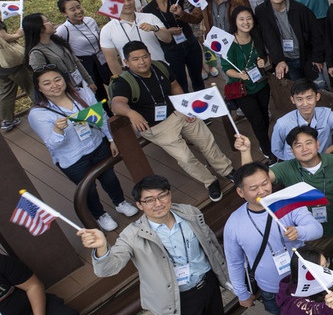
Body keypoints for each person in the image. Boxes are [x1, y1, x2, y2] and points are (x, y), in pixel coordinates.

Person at [80, 176, 255, 315]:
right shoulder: (132, 235)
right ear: (139, 205)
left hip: (206, 281)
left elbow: (210, 243)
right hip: (178, 296)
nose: (158, 203)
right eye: (149, 200)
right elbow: (108, 268)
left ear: (169, 194)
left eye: (162, 195)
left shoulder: (189, 212)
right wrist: (101, 248)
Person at [110, 41, 234, 201]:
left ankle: (227, 170)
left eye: (145, 56)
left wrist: (185, 107)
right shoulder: (124, 81)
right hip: (157, 126)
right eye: (135, 59)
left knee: (206, 140)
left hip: (178, 111)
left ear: (149, 55)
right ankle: (210, 181)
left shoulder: (159, 66)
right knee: (184, 157)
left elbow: (174, 85)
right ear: (126, 62)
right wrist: (131, 113)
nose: (142, 62)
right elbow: (116, 104)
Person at [28, 65, 138, 231]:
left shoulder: (82, 93)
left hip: (97, 145)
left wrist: (111, 139)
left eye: (57, 79)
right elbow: (53, 144)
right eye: (47, 83)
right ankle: (100, 215)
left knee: (110, 178)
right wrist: (58, 130)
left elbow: (101, 117)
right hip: (72, 159)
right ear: (39, 88)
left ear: (64, 79)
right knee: (88, 189)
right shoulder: (38, 114)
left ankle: (120, 202)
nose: (54, 85)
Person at [223, 161, 322, 315]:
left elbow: (317, 229)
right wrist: (242, 293)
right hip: (271, 290)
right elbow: (234, 262)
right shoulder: (234, 223)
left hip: (306, 278)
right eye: (254, 188)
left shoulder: (288, 202)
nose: (262, 191)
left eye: (265, 183)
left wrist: (299, 231)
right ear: (240, 192)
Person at [239, 128, 333, 259]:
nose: (304, 148)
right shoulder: (286, 168)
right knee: (320, 268)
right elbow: (253, 178)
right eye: (298, 145)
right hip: (310, 235)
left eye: (309, 143)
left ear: (318, 144)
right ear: (291, 151)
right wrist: (245, 152)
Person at [256, 0, 328, 83]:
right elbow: (268, 37)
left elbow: (316, 34)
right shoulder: (262, 11)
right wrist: (279, 60)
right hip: (285, 60)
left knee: (320, 86)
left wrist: (317, 58)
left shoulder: (301, 10)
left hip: (307, 57)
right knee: (296, 90)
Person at [141, 0, 206, 92]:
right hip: (171, 49)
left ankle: (203, 104)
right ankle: (185, 106)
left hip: (190, 42)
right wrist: (168, 31)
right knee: (180, 81)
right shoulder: (147, 10)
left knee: (197, 77)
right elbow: (151, 32)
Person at [222, 5, 273, 158]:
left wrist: (263, 61)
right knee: (257, 121)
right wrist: (239, 75)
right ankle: (267, 149)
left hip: (261, 84)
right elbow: (226, 68)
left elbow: (264, 56)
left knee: (264, 116)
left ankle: (266, 142)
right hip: (243, 89)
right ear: (234, 22)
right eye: (241, 19)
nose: (246, 22)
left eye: (249, 18)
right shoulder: (229, 42)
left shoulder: (256, 36)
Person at [271, 80, 333, 162]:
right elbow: (276, 150)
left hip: (321, 160)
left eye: (309, 98)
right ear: (293, 100)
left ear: (317, 97)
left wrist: (330, 150)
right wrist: (293, 162)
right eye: (299, 99)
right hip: (295, 166)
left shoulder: (326, 115)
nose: (305, 104)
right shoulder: (282, 123)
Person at [99, 0, 172, 76]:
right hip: (133, 77)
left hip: (160, 70)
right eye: (121, 1)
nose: (127, 3)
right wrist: (124, 81)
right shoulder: (107, 30)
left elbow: (168, 39)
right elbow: (112, 61)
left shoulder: (149, 17)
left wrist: (155, 29)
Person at [56, 0, 112, 102]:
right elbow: (61, 51)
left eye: (78, 7)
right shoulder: (63, 30)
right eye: (72, 10)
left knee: (115, 84)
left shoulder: (90, 20)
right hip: (86, 64)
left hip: (101, 58)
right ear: (64, 13)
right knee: (99, 93)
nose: (78, 11)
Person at [23, 13, 92, 90]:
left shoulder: (57, 41)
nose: (51, 23)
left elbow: (76, 61)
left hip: (82, 85)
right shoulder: (36, 53)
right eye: (47, 21)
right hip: (66, 92)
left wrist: (89, 81)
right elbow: (44, 80)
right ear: (40, 28)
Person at [0, 21, 31, 132]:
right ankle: (46, 109)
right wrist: (18, 34)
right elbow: (3, 37)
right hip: (13, 64)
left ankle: (7, 120)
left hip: (1, 67)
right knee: (31, 86)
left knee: (6, 93)